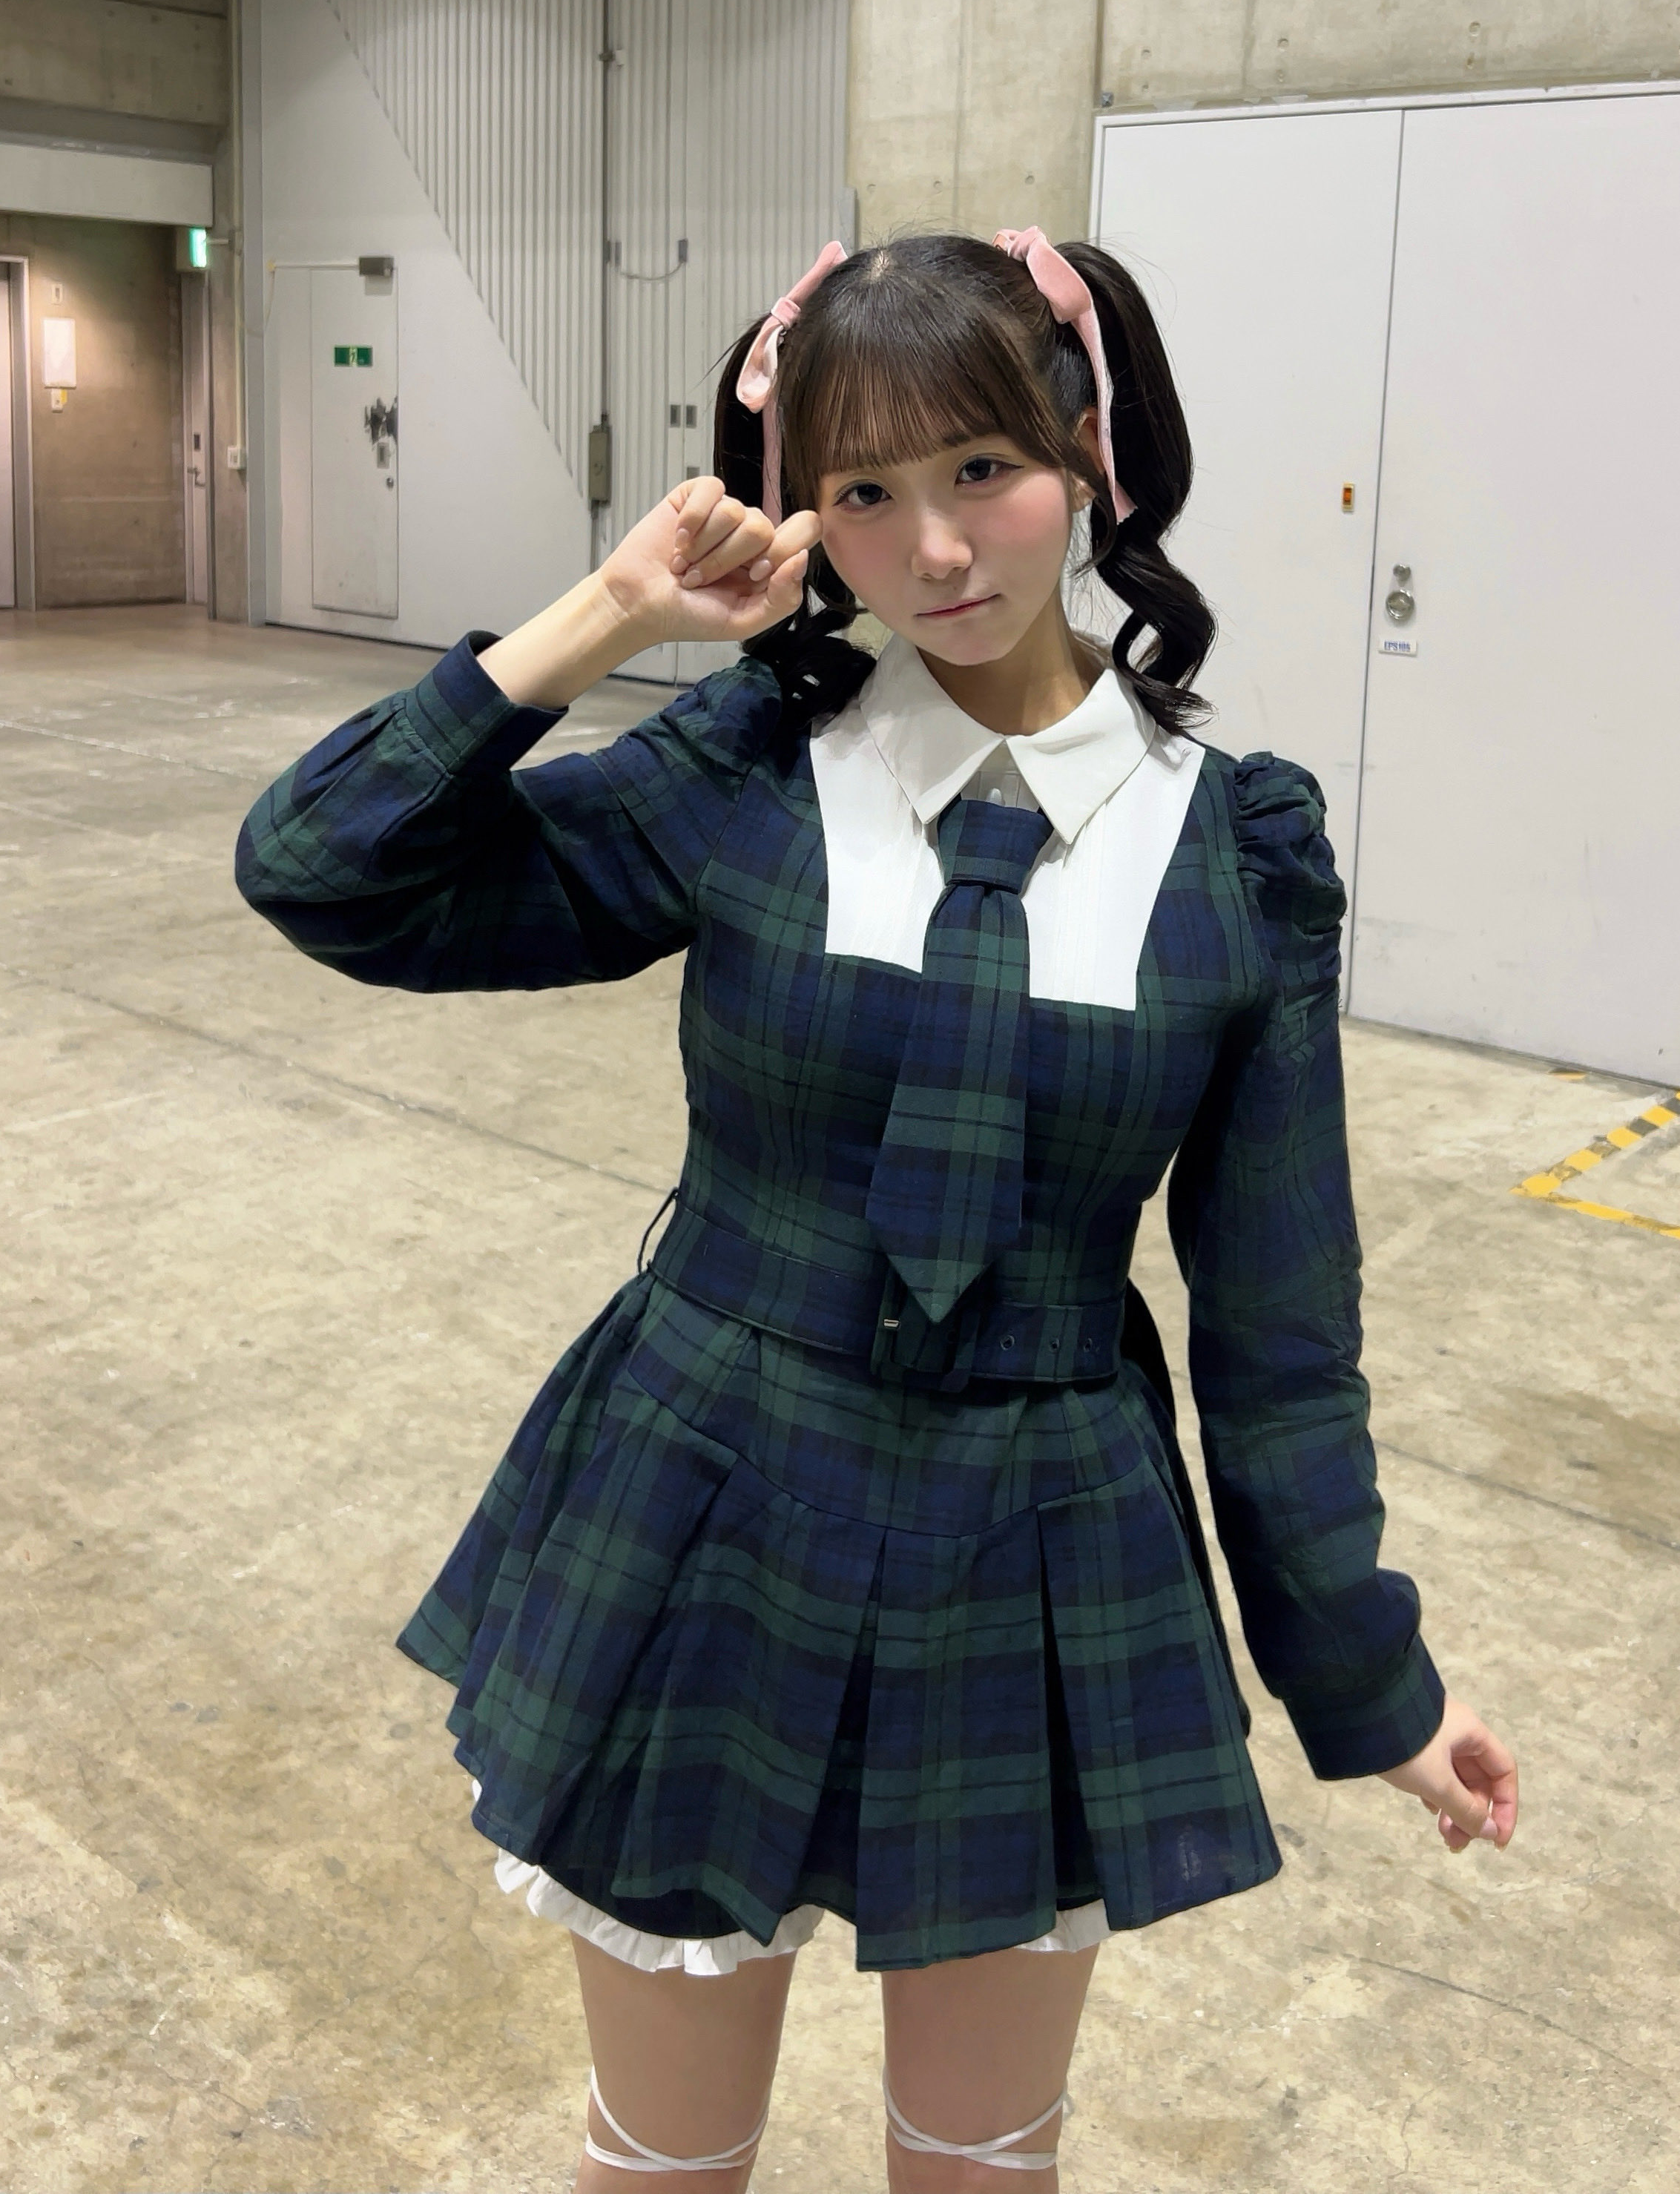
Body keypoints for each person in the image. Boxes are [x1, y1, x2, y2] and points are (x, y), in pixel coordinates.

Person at [236, 228, 1518, 2191]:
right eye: (861, 492)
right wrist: (613, 612)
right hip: (707, 1495)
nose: (932, 551)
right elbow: (328, 868)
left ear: (1088, 452)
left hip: (1039, 1535)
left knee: (980, 2162)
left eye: (981, 470)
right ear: (800, 511)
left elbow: (1280, 1330)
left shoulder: (1237, 852)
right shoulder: (750, 765)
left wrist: (1370, 1681)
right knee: (662, 2161)